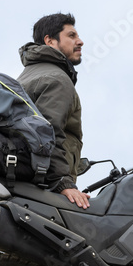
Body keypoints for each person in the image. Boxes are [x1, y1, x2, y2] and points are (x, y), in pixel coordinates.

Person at [17, 13, 90, 209]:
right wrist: (63, 183)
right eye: (71, 36)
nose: (80, 41)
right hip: (45, 187)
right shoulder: (58, 79)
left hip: (25, 182)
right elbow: (47, 133)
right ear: (50, 41)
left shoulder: (27, 76)